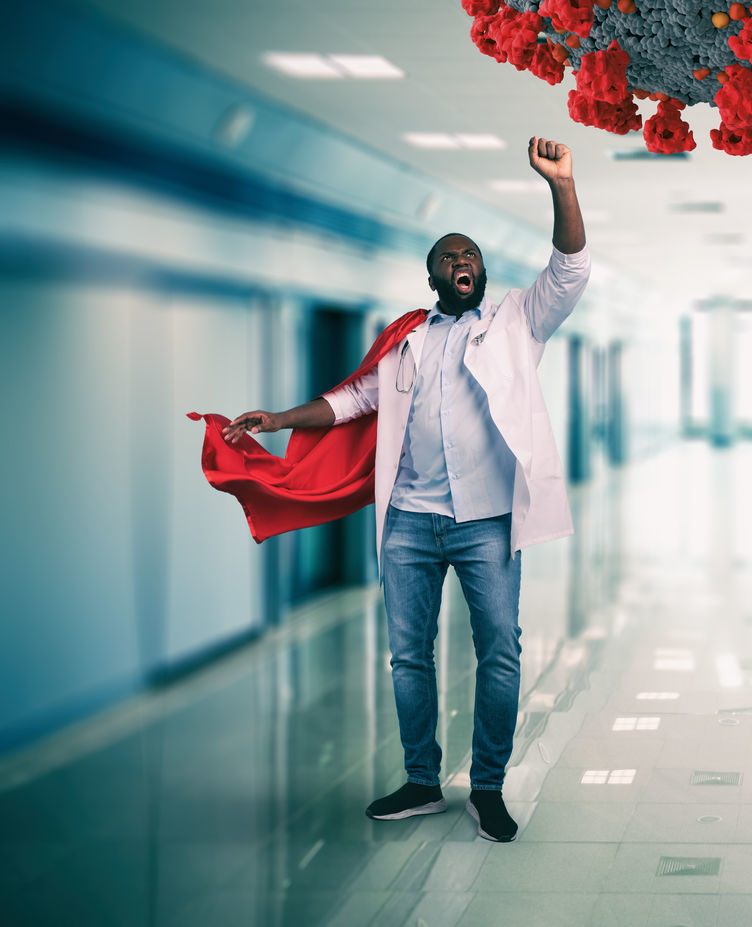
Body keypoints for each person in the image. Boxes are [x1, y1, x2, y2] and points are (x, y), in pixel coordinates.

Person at [219, 136, 588, 842]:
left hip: (485, 522)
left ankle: (487, 786)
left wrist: (561, 185)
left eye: (472, 254)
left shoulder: (517, 322)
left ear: (483, 271)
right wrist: (280, 419)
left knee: (501, 652)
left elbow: (569, 271)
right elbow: (352, 400)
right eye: (450, 257)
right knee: (408, 655)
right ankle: (422, 780)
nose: (463, 262)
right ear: (432, 277)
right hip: (410, 523)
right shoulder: (407, 340)